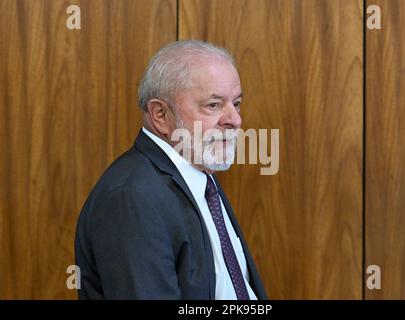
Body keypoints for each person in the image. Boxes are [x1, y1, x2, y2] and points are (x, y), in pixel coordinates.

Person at [74, 40, 267, 299]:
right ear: (160, 115)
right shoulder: (133, 197)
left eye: (237, 103)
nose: (235, 119)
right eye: (213, 105)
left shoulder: (200, 171)